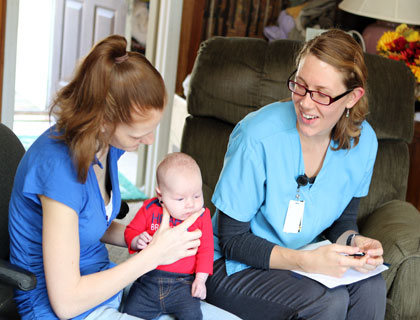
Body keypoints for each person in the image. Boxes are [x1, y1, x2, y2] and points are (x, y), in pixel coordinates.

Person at [8, 35, 239, 320]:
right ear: (102, 119)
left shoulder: (106, 146)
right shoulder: (58, 169)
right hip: (62, 308)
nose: (150, 140)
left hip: (105, 286)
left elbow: (88, 223)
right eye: (138, 133)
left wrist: (148, 237)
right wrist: (153, 256)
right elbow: (66, 303)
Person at [205, 29, 387, 320]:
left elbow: (343, 222)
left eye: (322, 94)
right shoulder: (257, 136)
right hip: (229, 265)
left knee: (372, 286)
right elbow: (232, 240)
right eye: (299, 86)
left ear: (353, 97)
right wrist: (306, 262)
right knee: (328, 302)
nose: (305, 102)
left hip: (302, 258)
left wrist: (354, 242)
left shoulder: (364, 143)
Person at [123, 152, 213, 319]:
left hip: (183, 285)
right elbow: (130, 231)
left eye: (197, 195)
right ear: (160, 195)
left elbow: (206, 251)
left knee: (194, 316)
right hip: (147, 280)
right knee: (129, 313)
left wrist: (200, 280)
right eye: (180, 199)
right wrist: (136, 240)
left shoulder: (201, 216)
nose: (190, 204)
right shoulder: (150, 209)